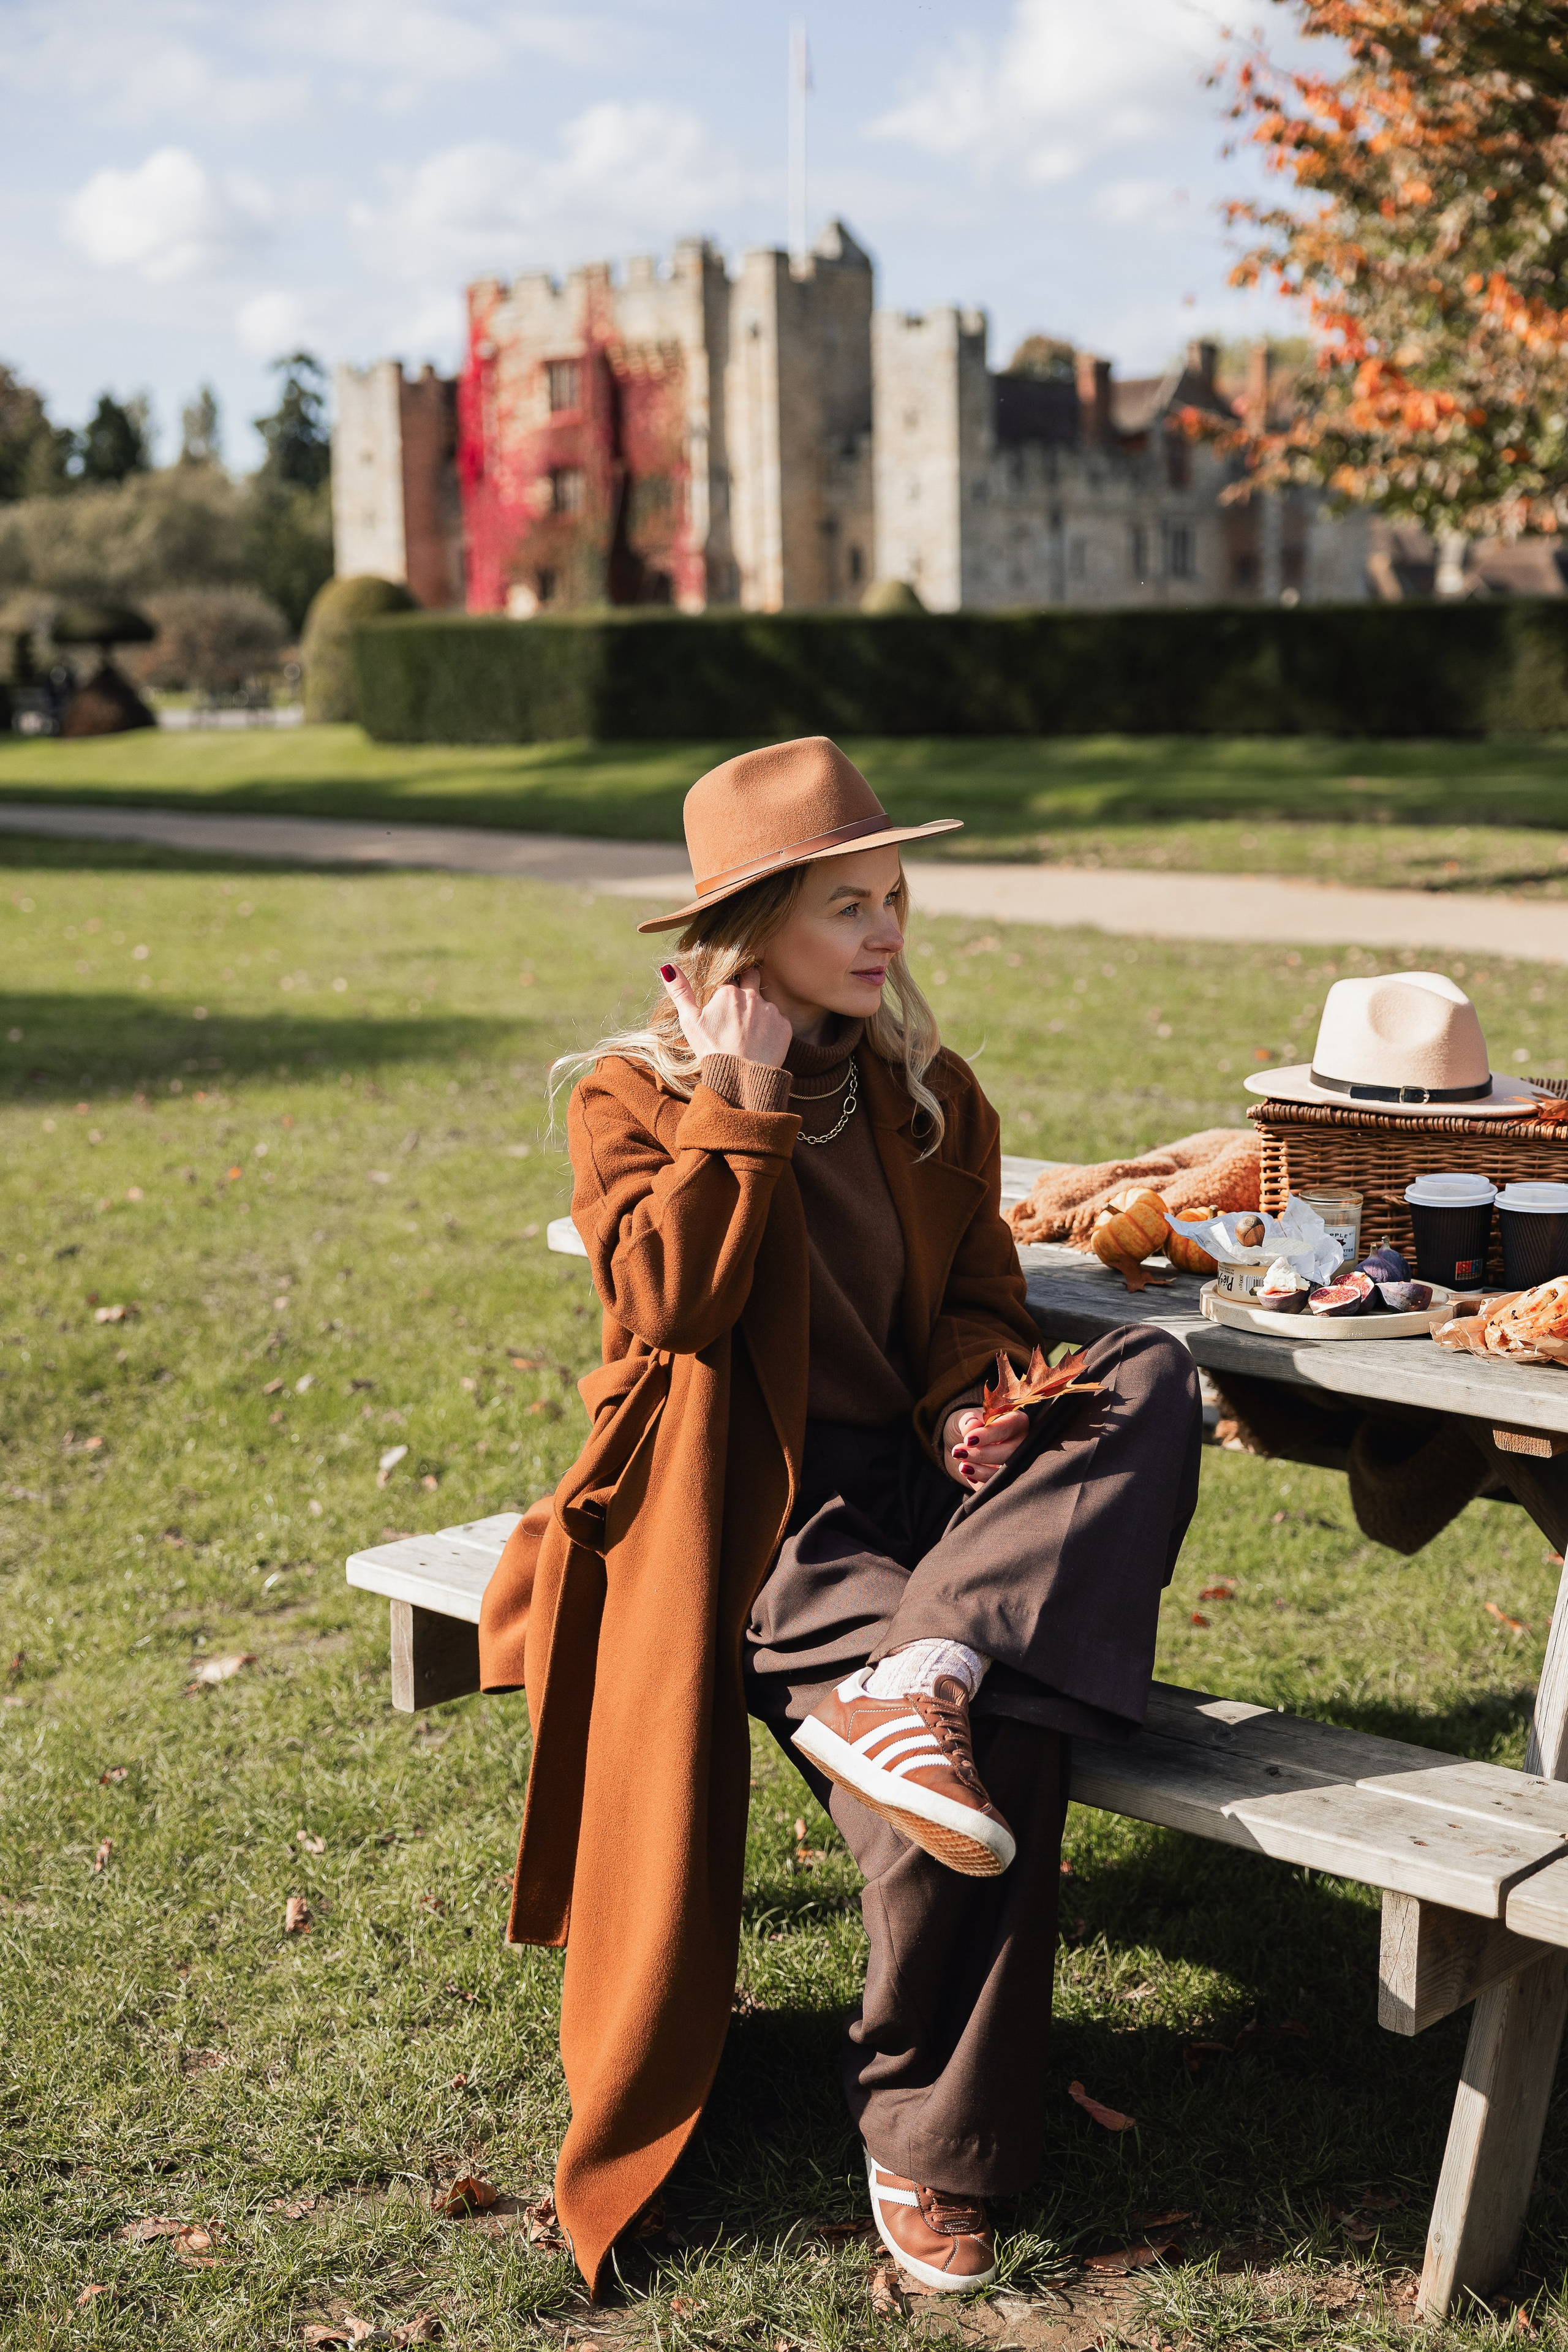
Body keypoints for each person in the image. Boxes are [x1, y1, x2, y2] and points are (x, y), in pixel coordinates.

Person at [477, 737, 1203, 2298]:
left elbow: (973, 1308)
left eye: (893, 898)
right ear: (747, 942)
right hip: (761, 1519)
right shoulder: (632, 1096)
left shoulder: (934, 1096)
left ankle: (917, 1671)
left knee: (1142, 1371)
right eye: (844, 908)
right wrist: (736, 1091)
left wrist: (969, 1403)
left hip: (927, 1501)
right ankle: (925, 2141)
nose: (886, 934)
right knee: (999, 1743)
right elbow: (672, 1299)